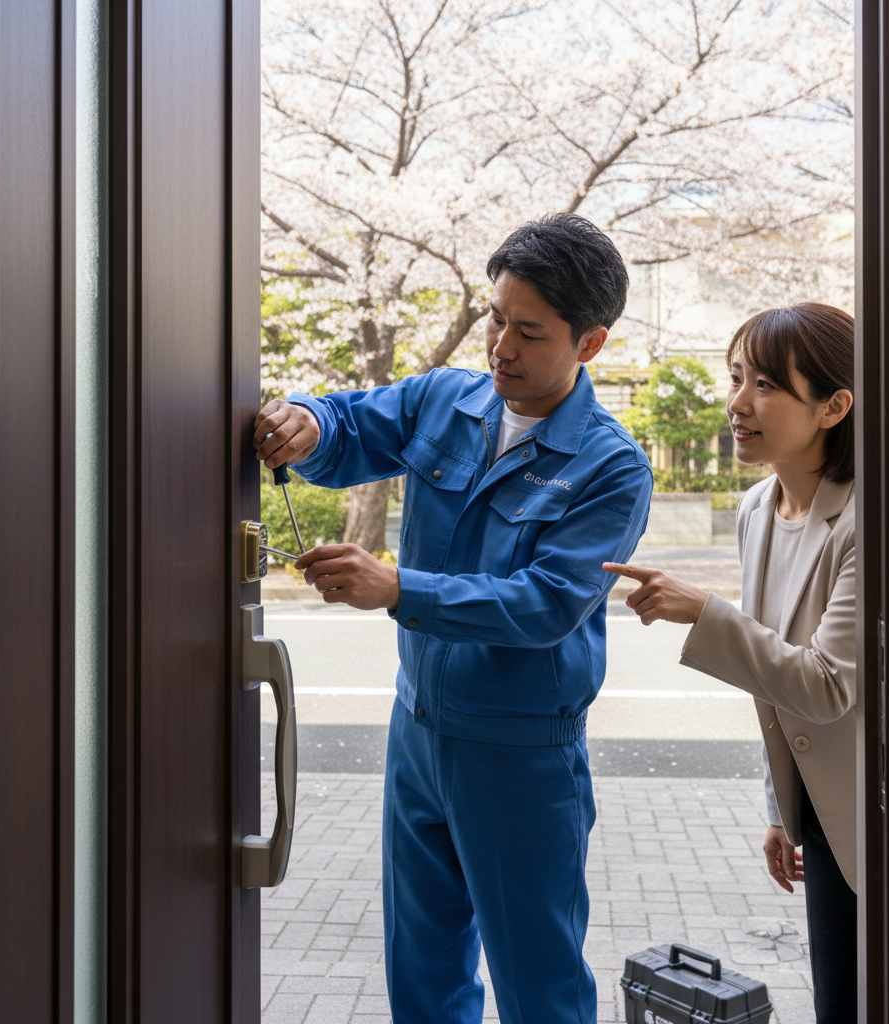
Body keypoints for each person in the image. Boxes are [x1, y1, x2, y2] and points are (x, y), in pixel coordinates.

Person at [253, 214, 653, 1024]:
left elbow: (545, 605)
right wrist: (306, 423)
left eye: (528, 331)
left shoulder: (611, 467)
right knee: (422, 969)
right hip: (418, 732)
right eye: (496, 317)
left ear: (590, 344)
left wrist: (398, 589)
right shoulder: (447, 399)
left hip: (519, 755)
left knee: (538, 984)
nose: (500, 345)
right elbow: (351, 428)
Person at [604, 303, 857, 1024]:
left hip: (881, 815)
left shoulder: (869, 519)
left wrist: (704, 612)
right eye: (737, 377)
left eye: (767, 385)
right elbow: (771, 678)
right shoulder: (756, 507)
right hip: (819, 811)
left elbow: (828, 682)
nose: (738, 403)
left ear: (834, 406)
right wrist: (783, 808)